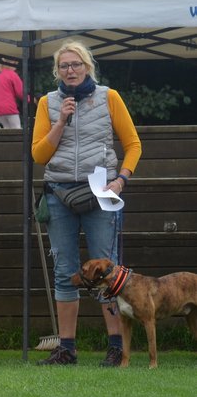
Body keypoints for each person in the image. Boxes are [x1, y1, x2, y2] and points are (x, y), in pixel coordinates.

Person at [32, 40, 142, 366]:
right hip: (59, 195)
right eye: (64, 66)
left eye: (76, 64)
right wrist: (60, 122)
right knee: (66, 271)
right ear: (57, 71)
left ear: (87, 67)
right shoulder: (47, 103)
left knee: (108, 270)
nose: (71, 70)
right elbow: (39, 155)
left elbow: (134, 145)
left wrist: (120, 179)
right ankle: (67, 348)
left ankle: (115, 346)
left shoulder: (109, 97)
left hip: (101, 195)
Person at [0, 56, 24, 129]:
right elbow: (20, 93)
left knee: (6, 128)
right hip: (10, 108)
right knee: (16, 129)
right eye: (16, 63)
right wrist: (31, 100)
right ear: (12, 63)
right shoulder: (12, 74)